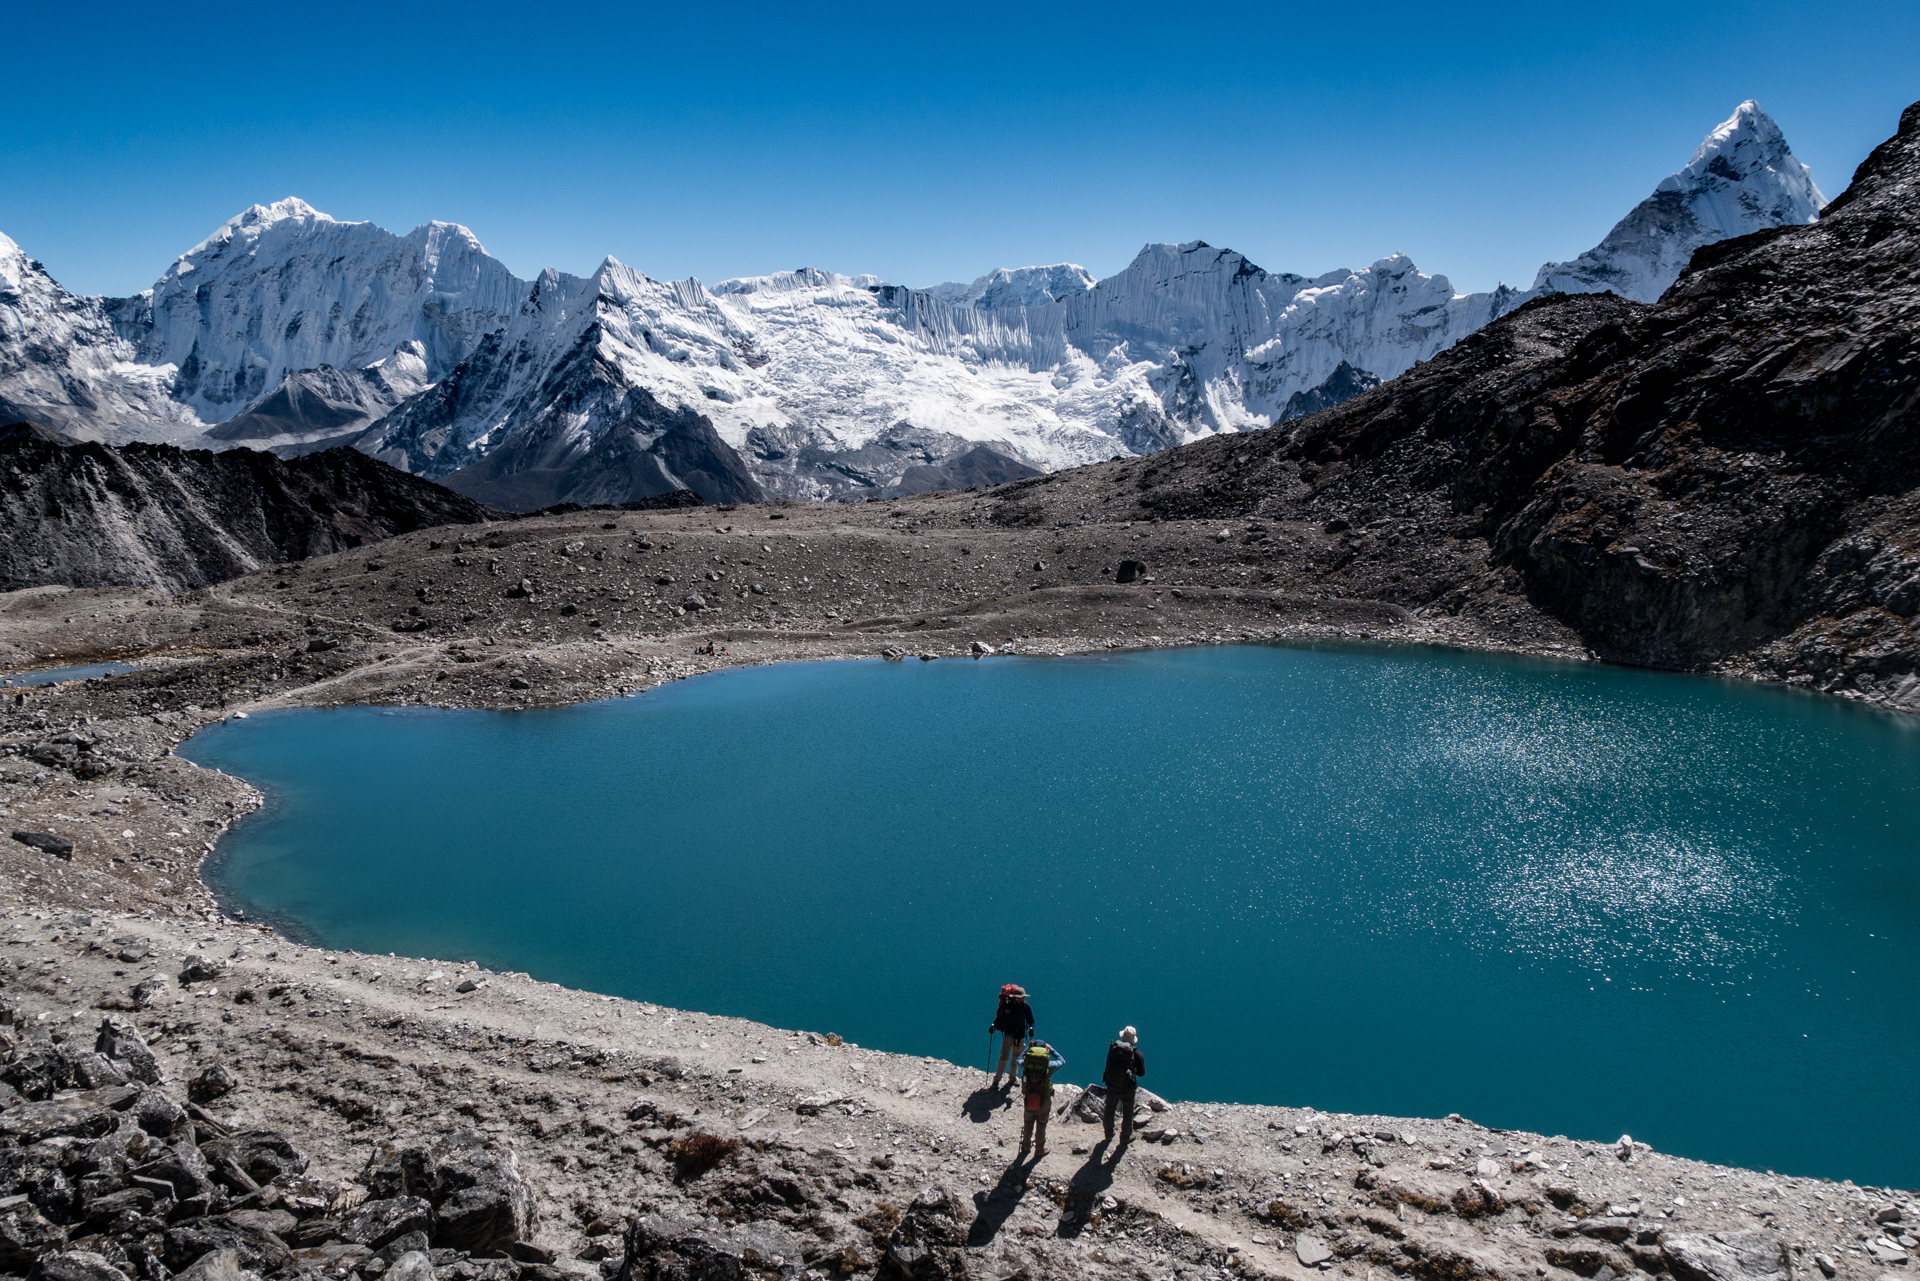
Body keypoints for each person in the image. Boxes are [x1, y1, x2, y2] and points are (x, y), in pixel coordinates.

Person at [1018, 1038, 1064, 1160]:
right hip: (1044, 1100)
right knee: (1041, 1124)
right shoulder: (1048, 1066)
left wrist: (1027, 1049)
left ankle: (1026, 1147)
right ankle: (1039, 1150)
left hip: (1029, 1098)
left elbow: (1018, 1061)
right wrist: (1051, 1049)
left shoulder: (1026, 1065)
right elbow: (1061, 1061)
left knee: (1028, 1123)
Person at [1102, 1026, 1145, 1145]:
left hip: (1112, 1085)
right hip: (1127, 1088)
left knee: (1109, 1109)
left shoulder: (1113, 1047)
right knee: (1128, 1112)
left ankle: (1108, 1134)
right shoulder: (1136, 1053)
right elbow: (1141, 1073)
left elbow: (1108, 1064)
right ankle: (1125, 1136)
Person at [988, 983, 1034, 1089]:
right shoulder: (1008, 1005)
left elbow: (1031, 1021)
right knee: (1004, 1058)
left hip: (1020, 1036)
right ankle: (996, 1081)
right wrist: (994, 1026)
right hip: (1009, 1036)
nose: (1021, 999)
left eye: (1022, 997)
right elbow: (1000, 1019)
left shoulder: (1026, 1007)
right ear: (1015, 997)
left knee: (1016, 1060)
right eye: (1019, 997)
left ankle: (1012, 1079)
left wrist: (1032, 1029)